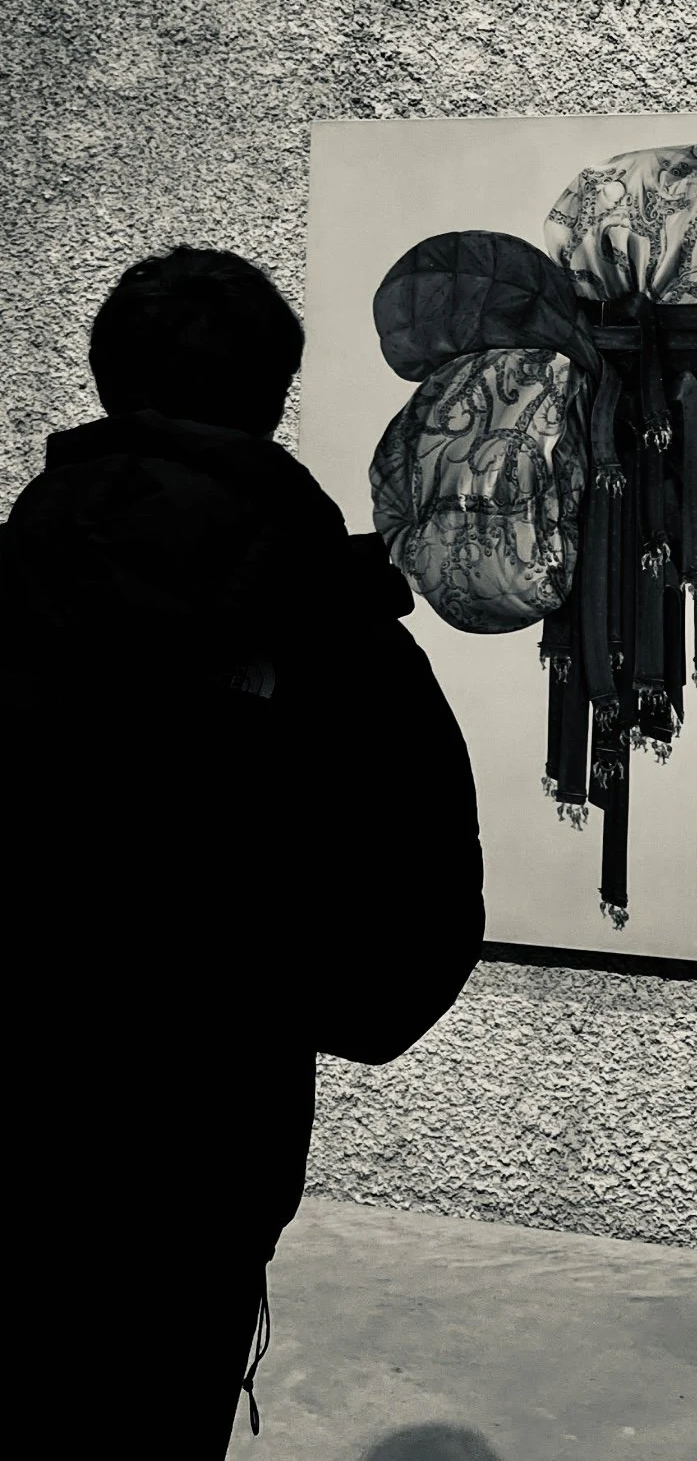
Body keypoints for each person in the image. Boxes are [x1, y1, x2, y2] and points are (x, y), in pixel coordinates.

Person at [2, 246, 485, 1458]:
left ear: (107, 380)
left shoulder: (9, 579)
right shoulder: (334, 631)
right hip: (202, 1132)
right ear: (273, 397)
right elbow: (417, 901)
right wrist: (275, 986)